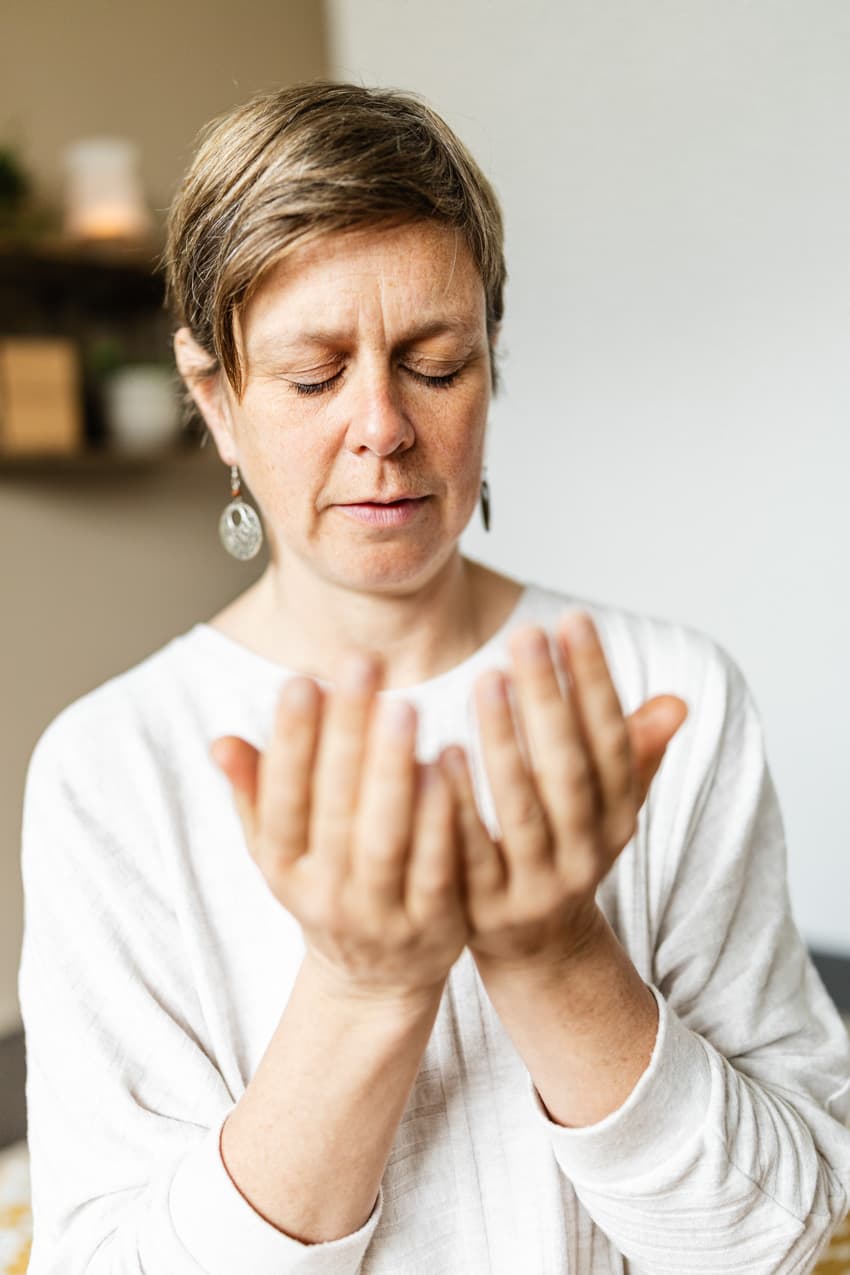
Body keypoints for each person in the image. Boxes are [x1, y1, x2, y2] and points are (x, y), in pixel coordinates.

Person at [18, 80, 850, 1275]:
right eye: (312, 376)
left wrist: (558, 954)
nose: (383, 427)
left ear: (490, 367)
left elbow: (773, 1236)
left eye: (436, 363)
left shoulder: (665, 693)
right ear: (217, 401)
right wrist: (361, 992)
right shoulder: (112, 770)